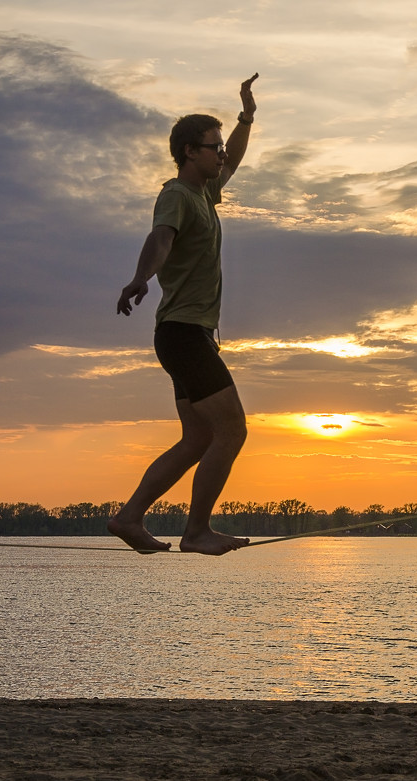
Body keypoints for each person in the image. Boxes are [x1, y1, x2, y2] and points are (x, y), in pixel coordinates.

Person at [108, 74, 259, 554]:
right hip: (183, 334)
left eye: (221, 148)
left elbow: (233, 159)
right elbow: (161, 239)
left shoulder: (205, 194)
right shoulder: (176, 194)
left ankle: (130, 518)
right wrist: (141, 277)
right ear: (190, 152)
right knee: (232, 429)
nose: (222, 155)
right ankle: (196, 531)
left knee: (197, 438)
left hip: (186, 335)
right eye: (213, 148)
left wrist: (245, 118)